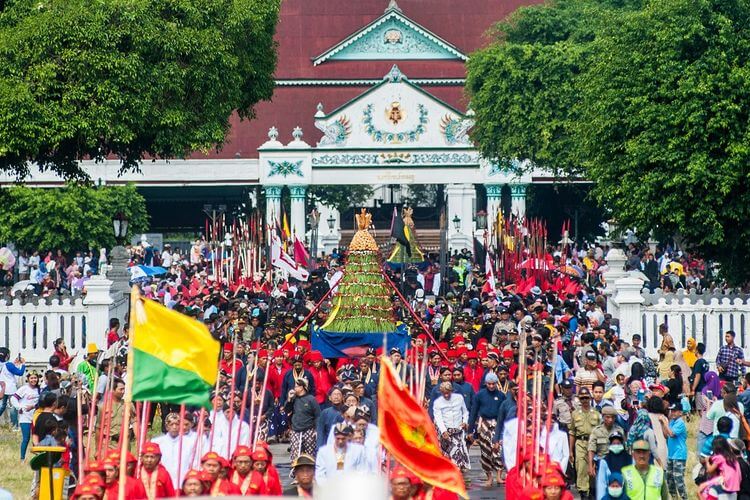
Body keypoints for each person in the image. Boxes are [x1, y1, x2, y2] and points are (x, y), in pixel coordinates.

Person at [469, 371, 505, 487]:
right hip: (483, 424)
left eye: (493, 384)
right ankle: (489, 477)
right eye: (489, 384)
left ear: (496, 383)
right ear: (485, 383)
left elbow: (503, 413)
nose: (491, 386)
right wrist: (470, 430)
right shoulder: (479, 395)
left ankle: (499, 476)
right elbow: (473, 412)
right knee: (485, 452)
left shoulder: (501, 395)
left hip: (497, 424)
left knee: (497, 450)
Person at [569, 387, 601, 500]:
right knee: (581, 469)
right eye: (582, 398)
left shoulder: (596, 414)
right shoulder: (575, 414)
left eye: (586, 397)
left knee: (592, 470)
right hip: (580, 443)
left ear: (590, 397)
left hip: (593, 444)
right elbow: (572, 432)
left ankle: (592, 493)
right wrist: (570, 451)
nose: (584, 400)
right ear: (579, 399)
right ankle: (584, 494)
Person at [433, 380, 470, 471]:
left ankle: (457, 474)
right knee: (450, 455)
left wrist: (465, 421)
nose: (446, 395)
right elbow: (438, 418)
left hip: (458, 430)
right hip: (446, 431)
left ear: (451, 391)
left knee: (458, 454)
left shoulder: (459, 398)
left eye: (448, 393)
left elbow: (465, 412)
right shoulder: (438, 402)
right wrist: (443, 431)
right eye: (444, 393)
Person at [284, 377, 321, 462]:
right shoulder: (293, 398)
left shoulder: (311, 399)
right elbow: (287, 410)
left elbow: (318, 415)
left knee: (310, 453)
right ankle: (294, 472)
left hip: (309, 429)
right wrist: (289, 399)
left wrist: (317, 430)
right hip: (296, 429)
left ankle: (311, 472)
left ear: (302, 387)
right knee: (295, 453)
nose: (294, 388)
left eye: (296, 386)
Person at [11, 370, 40, 461]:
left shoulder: (39, 389)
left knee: (37, 438)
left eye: (35, 378)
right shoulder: (24, 389)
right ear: (28, 379)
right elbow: (13, 398)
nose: (33, 380)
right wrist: (19, 407)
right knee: (26, 438)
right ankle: (22, 458)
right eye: (31, 378)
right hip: (25, 417)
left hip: (36, 417)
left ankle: (37, 457)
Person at [662, 403, 687, 500]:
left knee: (678, 480)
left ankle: (684, 497)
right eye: (671, 411)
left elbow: (672, 434)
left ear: (680, 413)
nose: (672, 413)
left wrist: (665, 423)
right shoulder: (672, 422)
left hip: (679, 455)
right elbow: (666, 435)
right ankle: (674, 497)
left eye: (674, 411)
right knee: (669, 479)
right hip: (671, 455)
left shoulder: (680, 422)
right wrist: (662, 424)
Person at [595, 431, 631, 499]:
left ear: (622, 444)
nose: (616, 445)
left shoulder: (630, 460)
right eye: (613, 443)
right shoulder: (604, 461)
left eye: (618, 443)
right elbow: (601, 485)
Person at [0, 347, 26, 429]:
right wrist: (23, 364)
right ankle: (15, 425)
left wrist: (14, 364)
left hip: (1, 388)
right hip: (10, 388)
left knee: (2, 406)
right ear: (7, 355)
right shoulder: (9, 365)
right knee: (13, 407)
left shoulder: (5, 364)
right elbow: (20, 372)